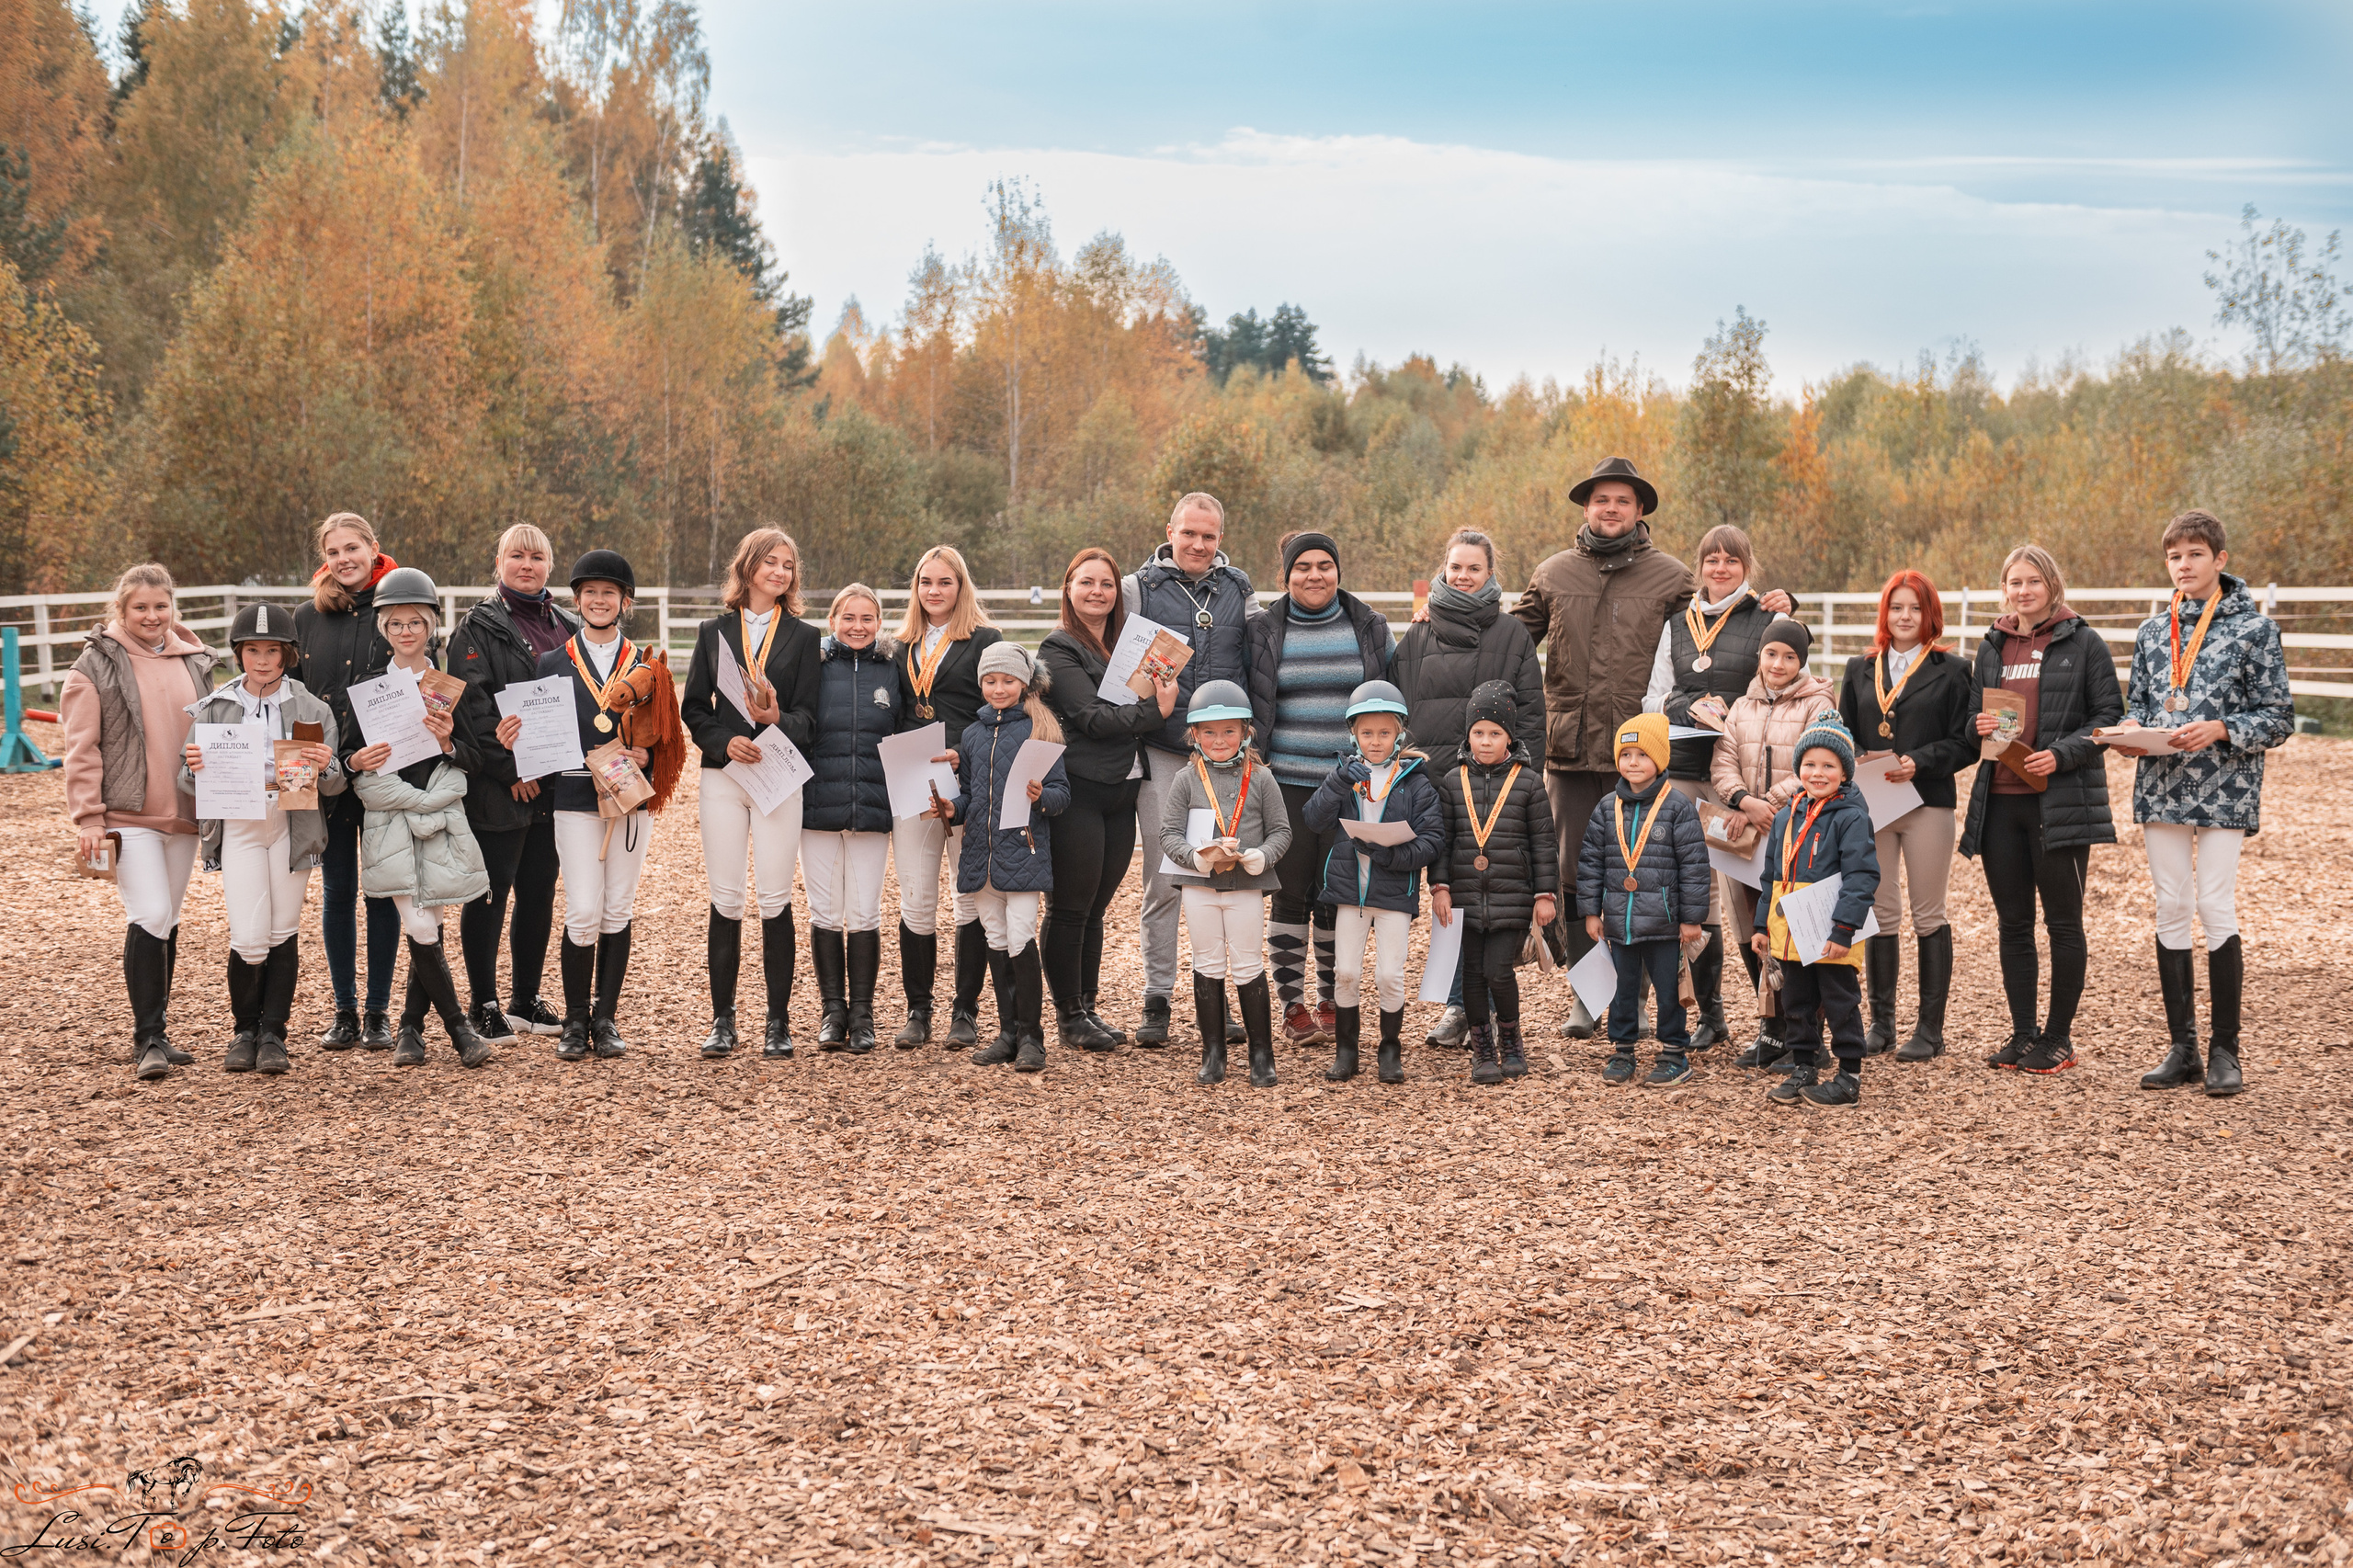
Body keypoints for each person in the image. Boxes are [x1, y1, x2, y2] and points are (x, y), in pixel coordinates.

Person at [2109, 510, 2293, 1097]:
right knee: (2170, 907)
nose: (2183, 566)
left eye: (2194, 555)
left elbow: (2279, 717)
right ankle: (2182, 1046)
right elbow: (2136, 703)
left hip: (2225, 788)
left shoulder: (2254, 631)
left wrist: (2221, 728)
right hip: (2161, 784)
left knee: (2215, 906)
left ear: (2220, 560)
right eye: (2174, 557)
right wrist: (2127, 734)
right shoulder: (2150, 632)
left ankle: (2225, 1051)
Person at [1511, 458, 1695, 1040]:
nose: (1610, 509)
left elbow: (1719, 630)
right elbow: (1509, 640)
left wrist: (1777, 608)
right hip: (1568, 751)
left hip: (1640, 753)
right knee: (1575, 878)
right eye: (1600, 500)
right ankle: (1587, 995)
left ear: (1640, 510)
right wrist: (1437, 620)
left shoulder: (1671, 578)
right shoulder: (1554, 573)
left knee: (1638, 873)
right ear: (1586, 507)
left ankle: (1630, 998)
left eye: (1622, 500)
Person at [1958, 544, 2122, 1074]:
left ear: (2051, 584)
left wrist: (2064, 753)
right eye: (2014, 582)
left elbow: (2108, 718)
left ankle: (2059, 1039)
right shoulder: (1992, 646)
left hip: (2061, 804)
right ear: (2004, 588)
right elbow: (1970, 723)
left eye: (2033, 581)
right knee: (2013, 924)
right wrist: (1977, 727)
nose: (2023, 591)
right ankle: (2023, 1033)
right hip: (2001, 801)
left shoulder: (2085, 643)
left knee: (2064, 925)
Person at [1639, 524, 1794, 1051]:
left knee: (1746, 898)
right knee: (1693, 897)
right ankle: (1711, 1014)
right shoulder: (1677, 623)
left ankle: (1775, 1020)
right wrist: (1687, 708)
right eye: (1712, 560)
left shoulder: (1767, 617)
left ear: (1747, 566)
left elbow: (1784, 683)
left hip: (1741, 776)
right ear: (1699, 566)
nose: (1720, 568)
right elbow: (1653, 698)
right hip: (1684, 767)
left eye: (1731, 560)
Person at [62, 564, 217, 1080]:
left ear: (173, 607)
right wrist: (88, 818)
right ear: (121, 611)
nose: (151, 616)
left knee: (167, 920)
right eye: (140, 608)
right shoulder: (94, 666)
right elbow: (81, 749)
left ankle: (160, 1031)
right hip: (128, 814)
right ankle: (146, 1038)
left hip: (183, 812)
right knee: (149, 913)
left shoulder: (195, 661)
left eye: (160, 606)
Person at [530, 550, 685, 1062]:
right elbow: (537, 737)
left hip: (628, 798)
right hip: (574, 798)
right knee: (583, 909)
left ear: (625, 601)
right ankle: (575, 1021)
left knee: (617, 907)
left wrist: (649, 751)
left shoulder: (648, 667)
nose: (600, 601)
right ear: (577, 600)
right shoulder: (550, 664)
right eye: (590, 592)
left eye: (609, 593)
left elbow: (667, 738)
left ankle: (605, 1018)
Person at [1392, 528, 1543, 1050]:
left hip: (1495, 789)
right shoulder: (1417, 636)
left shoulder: (1511, 635)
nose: (1462, 576)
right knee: (1447, 896)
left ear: (1489, 574)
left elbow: (1532, 714)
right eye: (1455, 567)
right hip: (1435, 785)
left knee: (1485, 900)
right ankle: (1457, 1002)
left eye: (1473, 568)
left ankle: (1470, 1007)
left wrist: (1529, 781)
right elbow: (1400, 713)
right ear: (1443, 569)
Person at [178, 605, 343, 1074]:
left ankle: (273, 1032)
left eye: (273, 650)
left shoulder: (312, 708)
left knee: (281, 930)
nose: (263, 660)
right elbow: (186, 782)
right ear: (239, 653)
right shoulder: (215, 708)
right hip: (241, 824)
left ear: (288, 655)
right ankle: (243, 1029)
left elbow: (332, 786)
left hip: (291, 821)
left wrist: (325, 763)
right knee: (249, 936)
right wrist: (195, 767)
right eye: (253, 650)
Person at [1247, 530, 1396, 1050]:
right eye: (1302, 567)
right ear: (1285, 576)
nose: (1315, 575)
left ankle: (1334, 997)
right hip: (1284, 779)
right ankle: (1292, 1004)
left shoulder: (1370, 627)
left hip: (1351, 784)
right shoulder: (1265, 629)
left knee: (1337, 894)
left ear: (1338, 571)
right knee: (1290, 893)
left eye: (1324, 566)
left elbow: (1395, 691)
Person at [681, 527, 823, 1060]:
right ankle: (722, 1019)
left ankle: (778, 1021)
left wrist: (776, 719)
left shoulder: (805, 638)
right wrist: (725, 738)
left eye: (788, 564)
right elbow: (693, 708)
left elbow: (812, 718)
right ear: (748, 567)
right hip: (725, 776)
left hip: (778, 776)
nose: (780, 572)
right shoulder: (713, 632)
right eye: (771, 562)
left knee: (775, 896)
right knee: (726, 897)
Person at [1124, 493, 1261, 1046]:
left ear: (1220, 539)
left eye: (1209, 536)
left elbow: (1259, 657)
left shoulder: (1239, 590)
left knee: (1220, 873)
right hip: (1162, 748)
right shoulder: (1140, 588)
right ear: (1170, 532)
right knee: (1163, 876)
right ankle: (1157, 997)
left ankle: (1216, 992)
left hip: (1222, 755)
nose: (1199, 545)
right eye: (1189, 534)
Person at [347, 568, 494, 1067]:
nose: (406, 631)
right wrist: (355, 761)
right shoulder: (366, 687)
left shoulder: (449, 686)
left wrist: (450, 739)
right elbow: (347, 754)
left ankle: (410, 1026)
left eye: (416, 622)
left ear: (431, 625)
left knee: (429, 915)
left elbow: (476, 757)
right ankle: (459, 1029)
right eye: (396, 623)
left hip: (437, 811)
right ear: (383, 628)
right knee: (417, 921)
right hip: (391, 814)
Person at [1037, 548, 1177, 1052]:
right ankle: (1068, 1014)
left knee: (1096, 907)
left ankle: (1088, 1005)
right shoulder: (1058, 649)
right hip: (1080, 790)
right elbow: (1091, 718)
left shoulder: (1125, 647)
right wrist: (1156, 712)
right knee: (1070, 905)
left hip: (1123, 788)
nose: (1097, 591)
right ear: (1069, 589)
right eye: (1086, 582)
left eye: (1107, 584)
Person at [447, 524, 582, 1045]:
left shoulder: (567, 625)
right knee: (489, 893)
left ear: (550, 565)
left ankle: (525, 998)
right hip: (500, 786)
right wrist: (511, 768)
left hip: (554, 784)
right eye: (517, 556)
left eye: (537, 557)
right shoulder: (476, 629)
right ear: (499, 562)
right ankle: (484, 1003)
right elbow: (471, 705)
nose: (527, 565)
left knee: (538, 891)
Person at [1836, 570, 1976, 1062]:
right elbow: (1843, 732)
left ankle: (1930, 1030)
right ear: (1885, 613)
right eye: (1896, 607)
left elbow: (1967, 742)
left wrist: (1921, 759)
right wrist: (1859, 756)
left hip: (1926, 800)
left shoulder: (1954, 670)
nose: (1904, 616)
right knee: (1881, 911)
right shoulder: (1859, 668)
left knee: (1928, 912)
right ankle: (1882, 1023)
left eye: (1914, 608)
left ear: (1929, 614)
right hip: (1873, 801)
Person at [931, 642, 1070, 1072]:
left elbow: (1062, 794)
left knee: (1022, 937)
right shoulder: (971, 735)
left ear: (1023, 683)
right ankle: (1007, 1032)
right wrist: (954, 808)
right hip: (980, 854)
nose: (998, 688)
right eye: (990, 681)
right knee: (995, 939)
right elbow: (972, 794)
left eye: (1007, 680)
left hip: (1022, 853)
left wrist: (1040, 797)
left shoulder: (1039, 731)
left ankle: (1033, 1037)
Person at [1297, 679, 1444, 1085]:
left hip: (1394, 892)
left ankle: (1389, 1049)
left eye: (1384, 733)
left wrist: (1392, 855)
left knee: (1389, 975)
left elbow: (1432, 840)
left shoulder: (1415, 782)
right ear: (1353, 734)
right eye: (1366, 733)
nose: (1375, 741)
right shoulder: (1345, 775)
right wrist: (1339, 781)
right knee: (1345, 972)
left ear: (1399, 732)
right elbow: (1314, 819)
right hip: (1350, 893)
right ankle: (1347, 1050)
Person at [292, 512, 403, 1050]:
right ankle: (345, 1011)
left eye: (353, 548)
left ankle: (380, 1012)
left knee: (381, 892)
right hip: (326, 777)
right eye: (334, 551)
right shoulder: (307, 617)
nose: (344, 559)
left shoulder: (398, 610)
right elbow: (288, 701)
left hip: (385, 771)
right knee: (337, 893)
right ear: (326, 558)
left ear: (373, 548)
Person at [890, 546, 1006, 1049]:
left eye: (945, 582)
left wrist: (963, 750)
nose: (934, 591)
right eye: (925, 582)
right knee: (916, 898)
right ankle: (918, 1010)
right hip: (911, 776)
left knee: (968, 899)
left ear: (962, 587)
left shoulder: (985, 640)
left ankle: (965, 1010)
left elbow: (998, 706)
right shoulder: (898, 645)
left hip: (965, 777)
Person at [1710, 618, 1839, 1070]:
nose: (1778, 663)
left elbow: (1813, 761)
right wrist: (1743, 800)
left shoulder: (1818, 702)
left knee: (1798, 929)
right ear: (1759, 656)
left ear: (1801, 661)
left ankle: (1809, 1033)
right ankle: (1773, 1026)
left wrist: (1767, 803)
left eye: (1789, 656)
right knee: (1753, 928)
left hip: (1796, 829)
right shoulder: (1742, 705)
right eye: (1771, 654)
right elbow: (1724, 758)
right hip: (1747, 830)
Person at [1158, 679, 1291, 1087]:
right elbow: (1168, 833)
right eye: (1209, 732)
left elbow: (1281, 831)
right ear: (1195, 735)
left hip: (1246, 885)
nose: (1220, 740)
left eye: (1229, 731)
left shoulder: (1263, 778)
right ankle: (1213, 1051)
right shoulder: (1185, 778)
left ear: (1245, 732)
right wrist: (1192, 856)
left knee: (1249, 963)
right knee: (1208, 962)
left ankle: (1261, 1053)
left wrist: (1262, 857)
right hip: (1200, 884)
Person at [1429, 681, 1558, 1085]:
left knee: (1498, 971)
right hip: (1465, 897)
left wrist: (1544, 894)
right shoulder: (1452, 782)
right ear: (1468, 735)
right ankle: (1483, 1050)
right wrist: (1440, 887)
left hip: (1513, 897)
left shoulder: (1529, 782)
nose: (1486, 742)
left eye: (1495, 734)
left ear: (1509, 737)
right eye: (1478, 733)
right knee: (1471, 972)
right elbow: (1443, 841)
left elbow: (1543, 842)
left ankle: (1511, 1040)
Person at [1750, 716, 1881, 1107]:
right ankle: (1804, 1065)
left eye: (1829, 766)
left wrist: (1843, 929)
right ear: (1798, 769)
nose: (1817, 773)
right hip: (1789, 928)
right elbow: (1771, 874)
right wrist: (1761, 924)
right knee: (1797, 1001)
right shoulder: (1787, 814)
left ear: (1845, 771)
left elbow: (1862, 877)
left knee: (1840, 1000)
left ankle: (1849, 1076)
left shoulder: (1852, 817)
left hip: (1830, 930)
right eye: (1809, 764)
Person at [1580, 712, 1710, 1088]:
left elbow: (1695, 866)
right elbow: (1591, 861)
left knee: (1669, 990)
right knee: (1623, 988)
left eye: (1642, 755)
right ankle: (1623, 1051)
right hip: (1620, 921)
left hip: (1666, 924)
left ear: (1660, 759)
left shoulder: (1678, 806)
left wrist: (1691, 917)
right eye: (1626, 755)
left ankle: (1673, 1054)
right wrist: (1591, 910)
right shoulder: (1607, 808)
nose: (1632, 763)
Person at [802, 585, 904, 1055]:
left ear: (879, 623)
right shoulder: (815, 665)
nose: (858, 626)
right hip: (818, 803)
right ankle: (832, 1010)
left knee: (864, 911)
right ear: (833, 621)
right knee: (824, 910)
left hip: (872, 804)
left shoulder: (893, 668)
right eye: (849, 618)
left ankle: (863, 1013)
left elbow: (906, 730)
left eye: (867, 618)